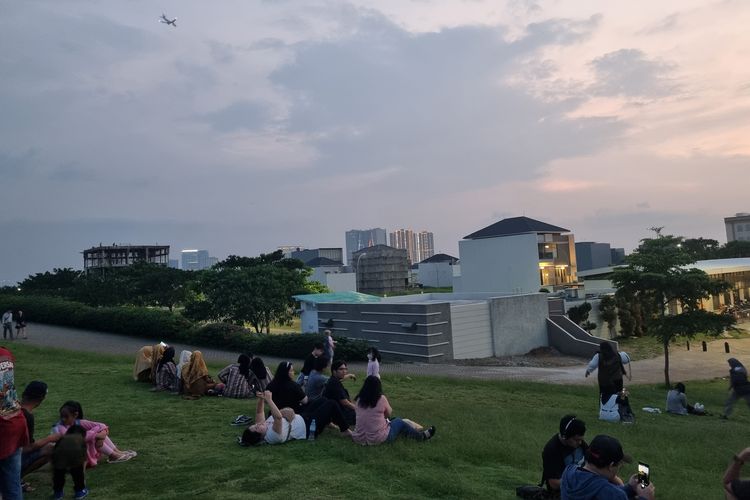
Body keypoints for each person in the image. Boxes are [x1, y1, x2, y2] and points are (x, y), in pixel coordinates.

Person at [560, 434, 655, 500]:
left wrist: (629, 488)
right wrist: (645, 498)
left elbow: (600, 490)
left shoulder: (568, 472)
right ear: (610, 466)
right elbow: (609, 493)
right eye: (619, 465)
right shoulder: (612, 493)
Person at [240, 390, 352, 445]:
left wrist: (261, 399)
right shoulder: (272, 437)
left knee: (323, 400)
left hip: (301, 417)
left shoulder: (263, 427)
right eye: (256, 428)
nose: (258, 424)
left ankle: (327, 421)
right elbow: (278, 417)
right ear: (259, 436)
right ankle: (345, 430)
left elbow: (259, 412)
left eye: (254, 425)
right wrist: (269, 399)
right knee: (331, 403)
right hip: (309, 428)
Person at [351, 375, 435, 445]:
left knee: (393, 421)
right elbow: (388, 413)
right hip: (377, 439)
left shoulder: (359, 400)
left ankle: (409, 433)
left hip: (358, 438)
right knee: (398, 421)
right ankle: (421, 437)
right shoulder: (381, 398)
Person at [51, 401, 135, 467]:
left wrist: (101, 436)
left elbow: (102, 425)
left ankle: (116, 452)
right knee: (93, 436)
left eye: (66, 416)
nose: (63, 419)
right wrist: (97, 435)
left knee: (97, 432)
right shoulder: (59, 427)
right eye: (62, 416)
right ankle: (113, 455)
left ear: (75, 415)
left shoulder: (78, 422)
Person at [20, 381, 61, 493]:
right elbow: (26, 448)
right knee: (51, 449)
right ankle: (14, 479)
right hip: (9, 459)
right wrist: (50, 438)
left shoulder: (12, 407)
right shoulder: (26, 416)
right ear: (41, 399)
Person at [0, 346, 29, 500]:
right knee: (12, 483)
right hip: (14, 422)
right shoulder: (4, 354)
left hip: (4, 427)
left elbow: (2, 391)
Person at [541, 415, 588, 494]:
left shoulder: (580, 444)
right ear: (564, 436)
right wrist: (580, 484)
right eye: (576, 440)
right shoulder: (552, 450)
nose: (580, 443)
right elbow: (553, 483)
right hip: (564, 492)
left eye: (581, 439)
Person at [52, 425, 89, 500]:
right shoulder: (81, 441)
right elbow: (84, 458)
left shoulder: (62, 439)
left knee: (58, 475)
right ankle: (80, 492)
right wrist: (83, 473)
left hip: (60, 457)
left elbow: (55, 452)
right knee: (77, 474)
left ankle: (58, 493)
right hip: (75, 457)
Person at [323, 360, 358, 426]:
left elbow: (342, 378)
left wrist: (349, 375)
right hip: (339, 414)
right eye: (341, 369)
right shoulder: (335, 383)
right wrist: (358, 409)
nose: (344, 371)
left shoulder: (333, 380)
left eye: (345, 369)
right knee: (363, 416)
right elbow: (345, 402)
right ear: (334, 371)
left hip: (337, 411)